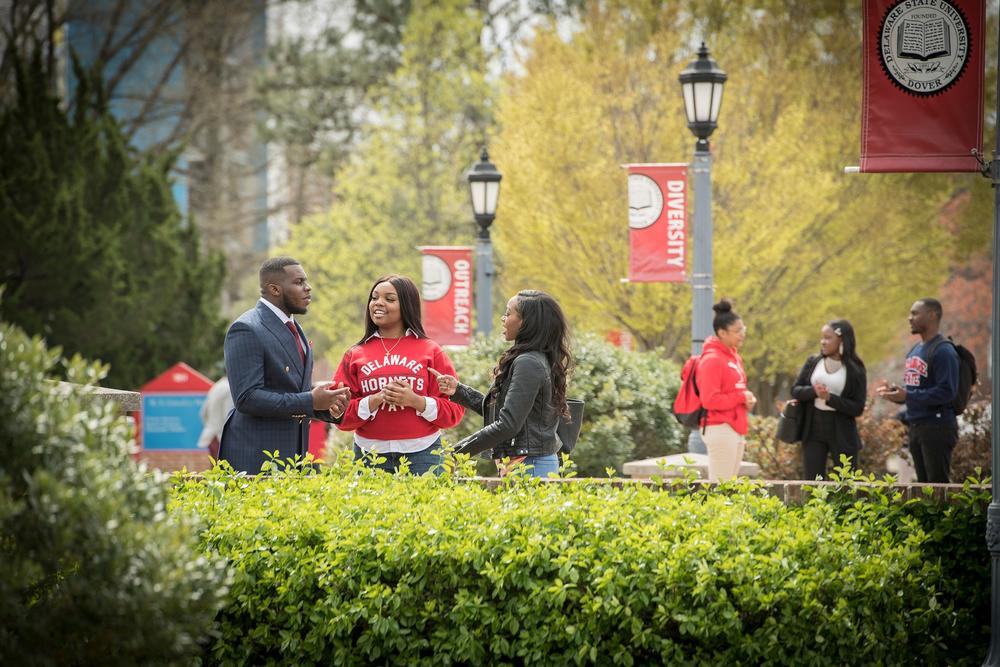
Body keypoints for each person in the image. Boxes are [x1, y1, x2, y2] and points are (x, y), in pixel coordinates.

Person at [219, 257, 350, 474]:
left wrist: (326, 403)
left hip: (293, 460)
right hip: (256, 460)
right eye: (299, 282)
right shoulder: (246, 328)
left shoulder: (295, 328)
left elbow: (290, 392)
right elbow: (247, 398)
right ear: (274, 289)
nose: (308, 288)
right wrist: (310, 400)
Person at [431, 290, 572, 479]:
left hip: (530, 465)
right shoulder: (532, 358)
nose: (502, 318)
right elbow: (505, 413)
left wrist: (456, 453)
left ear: (526, 322)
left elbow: (508, 424)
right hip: (526, 462)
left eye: (508, 313)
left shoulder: (528, 362)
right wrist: (459, 390)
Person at [333, 275, 465, 475]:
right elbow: (339, 415)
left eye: (389, 299)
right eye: (374, 297)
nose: (378, 303)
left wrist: (415, 401)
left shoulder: (431, 350)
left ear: (407, 305)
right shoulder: (355, 354)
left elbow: (454, 412)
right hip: (370, 456)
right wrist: (375, 400)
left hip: (423, 454)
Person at [876, 298, 959, 483]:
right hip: (916, 426)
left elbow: (947, 392)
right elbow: (916, 390)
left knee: (937, 487)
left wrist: (908, 395)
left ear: (932, 315)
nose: (909, 318)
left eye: (915, 313)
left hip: (937, 427)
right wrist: (897, 394)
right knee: (922, 487)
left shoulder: (943, 350)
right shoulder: (915, 350)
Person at [790, 320, 867, 480]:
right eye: (822, 338)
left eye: (828, 337)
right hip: (813, 428)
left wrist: (830, 398)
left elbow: (858, 408)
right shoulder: (813, 362)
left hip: (842, 431)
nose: (823, 342)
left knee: (846, 483)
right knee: (812, 482)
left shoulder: (855, 369)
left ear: (841, 340)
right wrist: (814, 392)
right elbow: (795, 390)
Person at [696, 300, 756, 481]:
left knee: (729, 486)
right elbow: (710, 400)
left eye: (742, 329)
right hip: (719, 427)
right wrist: (740, 397)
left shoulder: (734, 357)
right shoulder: (712, 359)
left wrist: (746, 400)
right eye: (737, 331)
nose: (742, 334)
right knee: (719, 486)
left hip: (735, 427)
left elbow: (735, 391)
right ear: (722, 333)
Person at [197, 375, 233, 460]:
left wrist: (210, 427)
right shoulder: (229, 388)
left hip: (210, 436)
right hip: (222, 438)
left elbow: (203, 413)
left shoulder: (215, 386)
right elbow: (228, 416)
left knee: (214, 469)